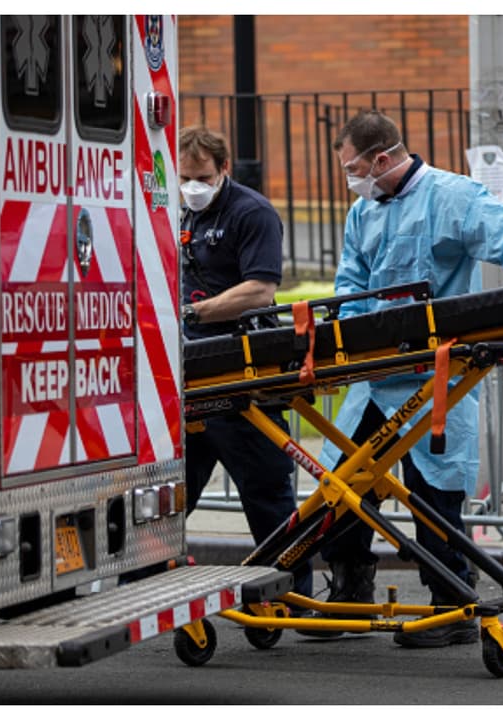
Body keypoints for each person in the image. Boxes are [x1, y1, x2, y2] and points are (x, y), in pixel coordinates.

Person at [303, 110, 503, 647]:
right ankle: (349, 588)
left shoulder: (453, 197)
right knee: (345, 482)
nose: (352, 181)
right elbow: (350, 279)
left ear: (382, 159)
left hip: (432, 376)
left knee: (432, 490)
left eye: (354, 169)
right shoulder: (364, 212)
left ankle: (452, 601)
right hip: (374, 374)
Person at [177, 125, 312, 602]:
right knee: (167, 497)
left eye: (202, 176)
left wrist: (193, 312)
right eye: (185, 176)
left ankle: (291, 594)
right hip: (188, 378)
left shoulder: (250, 213)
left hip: (240, 374)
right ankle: (135, 586)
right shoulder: (175, 213)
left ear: (224, 170)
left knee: (266, 492)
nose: (192, 186)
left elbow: (260, 289)